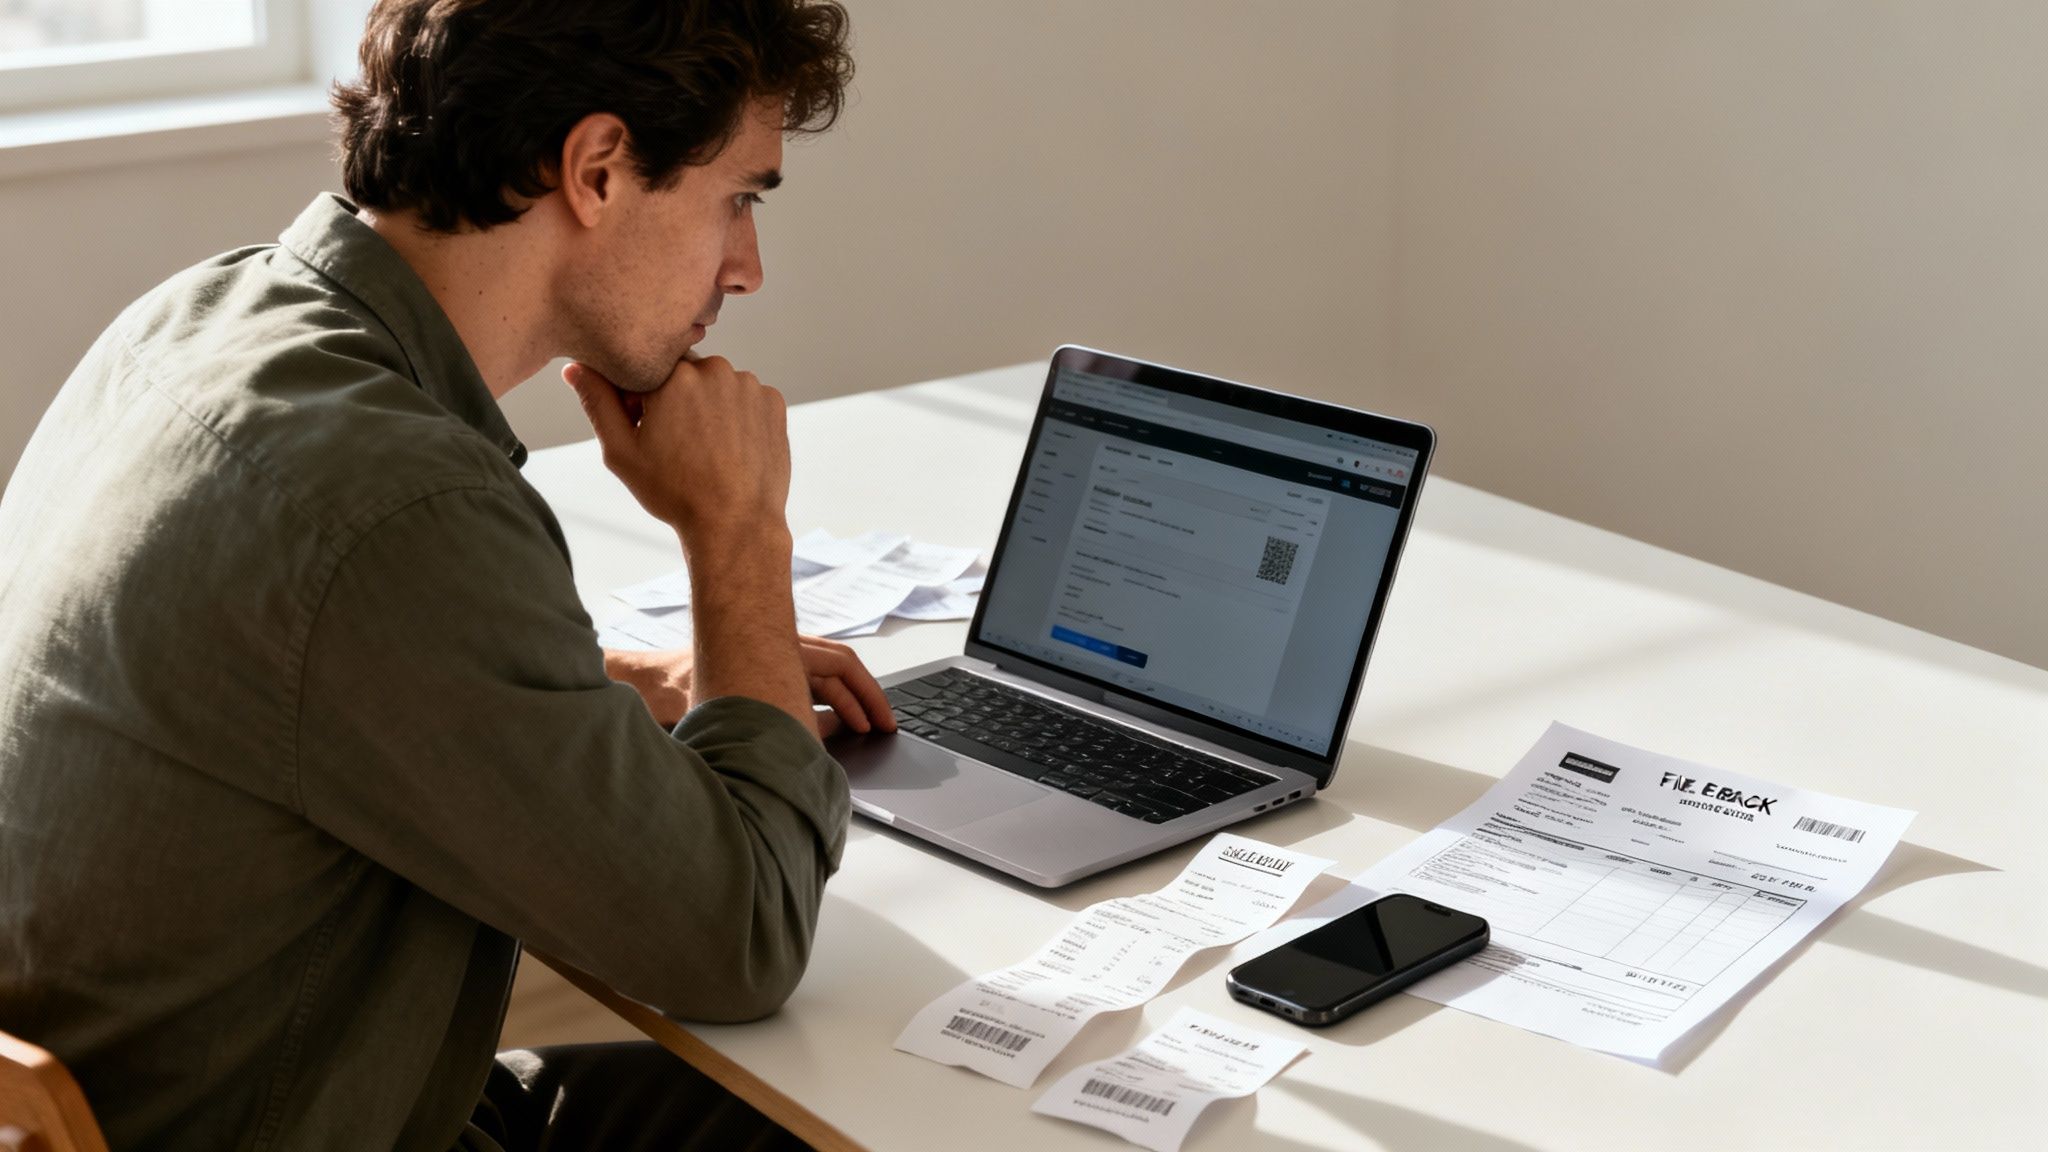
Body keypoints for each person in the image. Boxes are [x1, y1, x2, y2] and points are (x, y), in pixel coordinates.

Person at [0, 1, 889, 1148]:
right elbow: (741, 940)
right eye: (738, 198)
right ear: (599, 169)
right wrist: (737, 535)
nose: (746, 266)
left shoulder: (198, 318)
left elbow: (287, 663)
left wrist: (610, 685)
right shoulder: (400, 500)